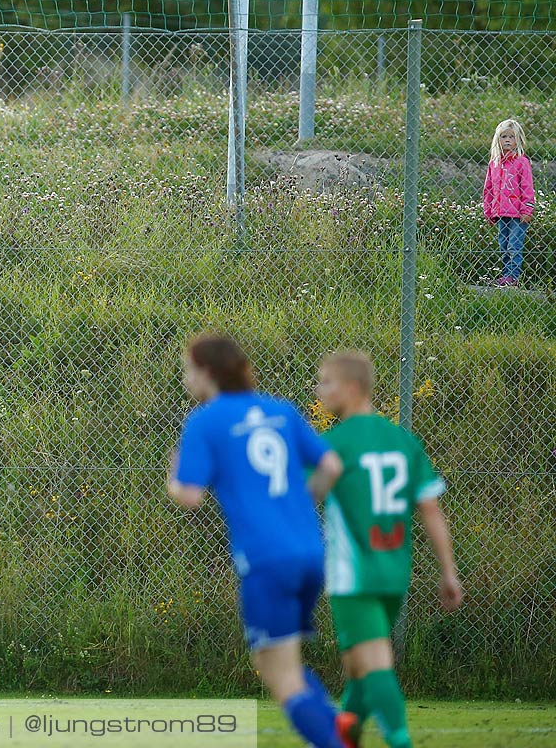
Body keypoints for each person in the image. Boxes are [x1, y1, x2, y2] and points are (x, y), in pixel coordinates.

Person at [167, 332, 346, 748]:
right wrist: (303, 501)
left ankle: (336, 742)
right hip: (309, 552)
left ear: (207, 372)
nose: (185, 379)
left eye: (188, 370)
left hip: (266, 559)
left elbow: (190, 497)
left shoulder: (205, 419)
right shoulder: (279, 410)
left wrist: (175, 477)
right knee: (284, 665)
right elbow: (332, 466)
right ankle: (338, 730)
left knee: (279, 676)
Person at [316, 351, 462, 748]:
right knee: (359, 666)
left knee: (374, 664)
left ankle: (400, 741)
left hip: (354, 574)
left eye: (325, 382)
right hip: (394, 572)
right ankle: (344, 731)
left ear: (350, 388)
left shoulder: (335, 444)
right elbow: (430, 508)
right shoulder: (403, 441)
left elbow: (305, 494)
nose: (318, 389)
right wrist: (448, 570)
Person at [483, 117, 534, 288]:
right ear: (498, 139)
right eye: (503, 137)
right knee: (503, 245)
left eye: (511, 137)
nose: (507, 140)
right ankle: (506, 275)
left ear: (518, 139)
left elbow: (527, 187)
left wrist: (527, 209)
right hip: (500, 213)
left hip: (518, 214)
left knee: (514, 245)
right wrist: (488, 211)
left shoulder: (522, 162)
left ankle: (513, 277)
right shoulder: (494, 163)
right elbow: (488, 188)